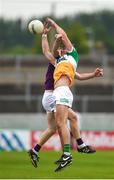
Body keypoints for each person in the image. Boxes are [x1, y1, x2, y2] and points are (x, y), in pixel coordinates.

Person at [28, 20, 103, 171]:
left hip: (60, 93)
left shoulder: (71, 56)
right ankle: (76, 148)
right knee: (62, 123)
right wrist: (47, 37)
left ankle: (68, 153)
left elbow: (63, 35)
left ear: (69, 48)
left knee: (60, 125)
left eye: (63, 47)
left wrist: (55, 26)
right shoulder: (59, 61)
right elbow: (50, 52)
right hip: (55, 94)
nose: (61, 49)